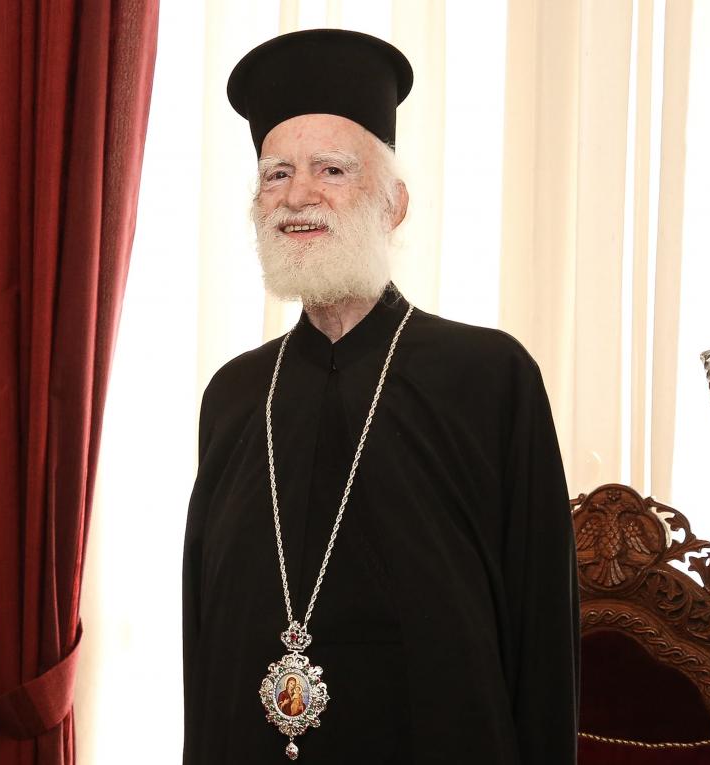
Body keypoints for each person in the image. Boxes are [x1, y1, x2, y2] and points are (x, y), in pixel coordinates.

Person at [183, 30, 578, 764]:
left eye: (331, 169)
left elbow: (542, 638)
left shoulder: (491, 377)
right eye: (276, 175)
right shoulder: (234, 396)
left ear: (394, 203)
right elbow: (205, 639)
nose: (298, 195)